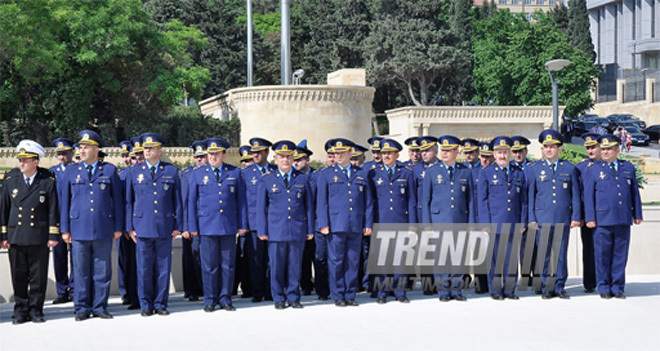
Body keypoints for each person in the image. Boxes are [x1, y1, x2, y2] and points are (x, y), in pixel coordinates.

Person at [60, 130, 124, 321]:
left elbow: (118, 202)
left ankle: (99, 306)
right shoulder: (71, 171)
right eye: (80, 147)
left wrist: (118, 227)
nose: (82, 150)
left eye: (85, 147)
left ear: (96, 149)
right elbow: (65, 202)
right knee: (80, 271)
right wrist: (64, 229)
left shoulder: (110, 170)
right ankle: (81, 307)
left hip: (104, 228)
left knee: (102, 271)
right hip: (78, 229)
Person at [0, 140, 59, 324]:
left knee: (38, 276)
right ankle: (20, 310)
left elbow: (52, 209)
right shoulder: (11, 180)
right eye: (20, 159)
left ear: (36, 161)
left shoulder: (47, 181)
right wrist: (3, 236)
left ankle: (36, 310)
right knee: (18, 275)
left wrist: (53, 235)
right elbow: (4, 209)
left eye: (26, 160)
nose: (21, 163)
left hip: (38, 235)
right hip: (16, 235)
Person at [125, 133, 182, 316]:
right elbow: (128, 201)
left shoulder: (171, 171)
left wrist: (177, 226)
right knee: (144, 268)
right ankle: (146, 304)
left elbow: (177, 201)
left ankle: (160, 303)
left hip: (164, 226)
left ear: (160, 150)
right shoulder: (134, 171)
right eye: (145, 148)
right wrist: (129, 226)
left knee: (163, 267)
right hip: (142, 226)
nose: (147, 151)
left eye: (151, 148)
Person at [187, 138, 247, 312]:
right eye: (210, 154)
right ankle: (210, 299)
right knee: (209, 265)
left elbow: (241, 201)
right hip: (206, 226)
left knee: (228, 265)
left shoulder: (234, 172)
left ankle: (226, 298)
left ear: (224, 155)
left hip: (228, 225)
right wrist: (193, 227)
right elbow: (191, 202)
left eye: (216, 154)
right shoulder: (198, 174)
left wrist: (242, 224)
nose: (212, 157)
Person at [256, 140, 314, 309]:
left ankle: (294, 296)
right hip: (276, 230)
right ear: (275, 159)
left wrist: (310, 229)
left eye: (288, 157)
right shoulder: (267, 179)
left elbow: (308, 206)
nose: (285, 160)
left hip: (297, 229)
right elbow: (261, 208)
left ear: (293, 158)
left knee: (295, 265)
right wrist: (262, 230)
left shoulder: (303, 178)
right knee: (277, 266)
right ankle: (278, 297)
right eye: (282, 157)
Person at [584, 135, 643, 299]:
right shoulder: (593, 170)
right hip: (602, 220)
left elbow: (634, 193)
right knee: (602, 255)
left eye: (609, 149)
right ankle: (603, 287)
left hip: (623, 218)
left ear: (617, 150)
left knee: (620, 255)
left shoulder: (628, 168)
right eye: (603, 149)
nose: (605, 152)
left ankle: (617, 286)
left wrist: (637, 214)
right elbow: (588, 197)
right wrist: (590, 218)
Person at [316, 138, 373, 307]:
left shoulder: (361, 173)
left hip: (355, 223)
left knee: (353, 260)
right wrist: (323, 224)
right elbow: (322, 202)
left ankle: (350, 293)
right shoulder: (326, 174)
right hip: (335, 224)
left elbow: (368, 202)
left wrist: (367, 224)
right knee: (336, 260)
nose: (338, 156)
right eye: (336, 153)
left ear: (350, 153)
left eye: (342, 153)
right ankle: (338, 294)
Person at [526, 130, 581, 299]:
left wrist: (576, 217)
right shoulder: (534, 169)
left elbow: (576, 196)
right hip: (542, 219)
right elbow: (530, 197)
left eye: (552, 147)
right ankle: (547, 287)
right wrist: (531, 219)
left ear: (560, 149)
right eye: (546, 147)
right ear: (542, 150)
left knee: (560, 254)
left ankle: (559, 286)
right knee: (544, 255)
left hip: (562, 218)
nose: (549, 150)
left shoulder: (570, 168)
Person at [421, 135, 475, 302]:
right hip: (439, 219)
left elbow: (470, 199)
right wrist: (427, 224)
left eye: (448, 150)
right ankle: (444, 290)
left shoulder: (465, 171)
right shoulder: (431, 171)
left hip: (459, 218)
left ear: (456, 152)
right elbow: (425, 199)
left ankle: (456, 289)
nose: (444, 153)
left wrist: (471, 222)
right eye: (442, 150)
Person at [478, 136, 527, 300]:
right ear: (494, 154)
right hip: (495, 221)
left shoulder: (518, 172)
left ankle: (509, 290)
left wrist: (522, 222)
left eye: (505, 152)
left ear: (510, 153)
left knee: (511, 258)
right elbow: (482, 200)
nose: (502, 156)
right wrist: (485, 222)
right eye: (499, 153)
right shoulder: (486, 172)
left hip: (513, 220)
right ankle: (496, 290)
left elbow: (523, 201)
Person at [369, 139, 416, 304]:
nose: (386, 156)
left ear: (397, 154)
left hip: (400, 221)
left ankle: (400, 291)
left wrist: (412, 224)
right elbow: (370, 202)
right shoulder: (374, 173)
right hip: (381, 222)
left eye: (389, 153)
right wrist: (370, 224)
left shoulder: (406, 173)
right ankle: (382, 292)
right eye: (383, 153)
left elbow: (411, 200)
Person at [241, 137, 276, 303]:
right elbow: (242, 200)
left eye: (258, 152)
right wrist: (244, 224)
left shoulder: (276, 171)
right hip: (253, 223)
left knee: (272, 259)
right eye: (253, 152)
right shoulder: (246, 173)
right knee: (255, 259)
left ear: (266, 153)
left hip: (273, 222)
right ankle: (257, 291)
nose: (255, 155)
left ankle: (270, 290)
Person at [411, 136, 439, 295]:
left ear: (436, 151)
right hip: (423, 217)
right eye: (422, 151)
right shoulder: (415, 170)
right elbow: (413, 198)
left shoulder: (443, 168)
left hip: (440, 217)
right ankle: (429, 285)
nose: (424, 154)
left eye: (427, 150)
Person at [180, 140, 207, 302]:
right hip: (191, 223)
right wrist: (184, 226)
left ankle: (206, 289)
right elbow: (183, 202)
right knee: (190, 258)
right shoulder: (186, 174)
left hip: (207, 222)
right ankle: (192, 290)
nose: (199, 160)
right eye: (197, 157)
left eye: (202, 156)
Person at [49, 138, 75, 305]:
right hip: (57, 221)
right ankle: (61, 291)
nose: (62, 156)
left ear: (72, 153)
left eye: (65, 153)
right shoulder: (52, 173)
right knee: (59, 257)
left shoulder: (77, 170)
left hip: (74, 220)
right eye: (59, 154)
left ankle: (74, 289)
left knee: (76, 257)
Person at [575, 133, 601, 293]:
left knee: (606, 250)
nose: (590, 151)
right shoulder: (581, 168)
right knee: (589, 250)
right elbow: (578, 195)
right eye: (588, 148)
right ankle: (590, 282)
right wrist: (580, 216)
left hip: (606, 215)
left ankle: (606, 280)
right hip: (588, 216)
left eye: (593, 147)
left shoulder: (607, 165)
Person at [117, 141, 139, 310]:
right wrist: (125, 227)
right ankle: (131, 295)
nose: (134, 159)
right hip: (128, 228)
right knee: (129, 263)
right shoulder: (123, 175)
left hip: (145, 226)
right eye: (132, 157)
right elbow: (122, 203)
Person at [293, 140, 316, 296]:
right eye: (295, 160)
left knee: (319, 257)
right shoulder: (293, 177)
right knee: (302, 257)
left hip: (317, 222)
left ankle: (322, 285)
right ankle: (305, 285)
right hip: (300, 223)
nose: (296, 163)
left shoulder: (317, 175)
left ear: (307, 160)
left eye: (299, 160)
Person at [472, 141, 494, 294]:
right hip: (477, 217)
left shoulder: (495, 171)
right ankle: (481, 284)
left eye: (488, 157)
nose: (485, 160)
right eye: (482, 156)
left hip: (492, 217)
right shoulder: (472, 172)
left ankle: (493, 283)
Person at [234, 145, 254, 297]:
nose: (246, 164)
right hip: (243, 224)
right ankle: (243, 287)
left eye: (249, 160)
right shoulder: (239, 176)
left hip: (256, 223)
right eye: (244, 161)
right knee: (242, 257)